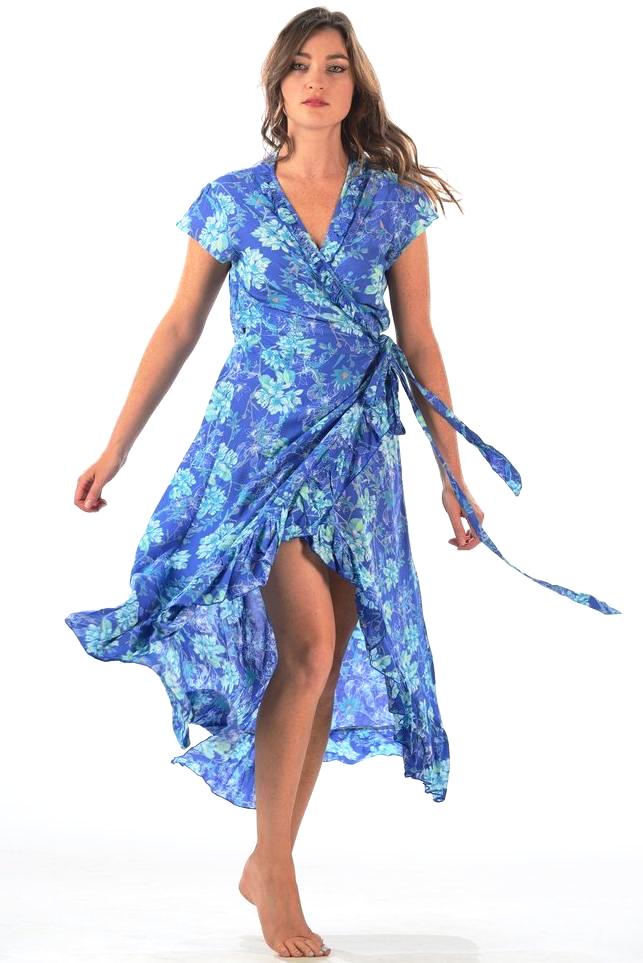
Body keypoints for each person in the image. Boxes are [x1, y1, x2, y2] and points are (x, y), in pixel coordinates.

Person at [64, 8, 621, 960]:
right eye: (300, 67)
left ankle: (267, 855)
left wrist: (452, 474)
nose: (316, 82)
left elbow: (421, 340)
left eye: (334, 66)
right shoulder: (232, 201)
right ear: (277, 87)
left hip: (357, 453)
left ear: (354, 86)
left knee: (318, 668)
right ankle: (277, 872)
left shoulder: (393, 204)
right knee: (311, 645)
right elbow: (179, 325)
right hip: (255, 451)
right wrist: (115, 447)